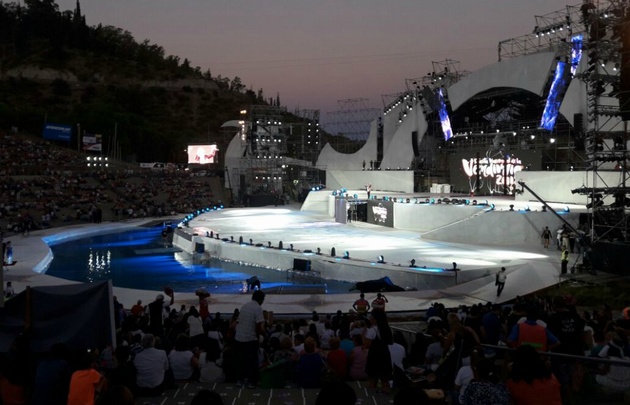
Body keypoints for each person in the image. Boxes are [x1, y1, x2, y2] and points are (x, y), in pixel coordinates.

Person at [234, 289, 266, 388]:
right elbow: (258, 327)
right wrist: (265, 335)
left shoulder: (244, 306)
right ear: (260, 299)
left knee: (241, 361)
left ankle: (240, 380)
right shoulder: (258, 308)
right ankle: (252, 382)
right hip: (249, 339)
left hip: (238, 338)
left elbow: (239, 322)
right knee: (252, 361)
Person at [364, 311, 393, 394]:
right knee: (385, 380)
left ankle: (373, 399)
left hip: (374, 356)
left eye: (371, 317)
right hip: (385, 356)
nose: (370, 318)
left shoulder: (372, 330)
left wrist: (363, 333)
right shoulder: (388, 329)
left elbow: (366, 345)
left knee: (373, 381)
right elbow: (390, 342)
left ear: (376, 320)